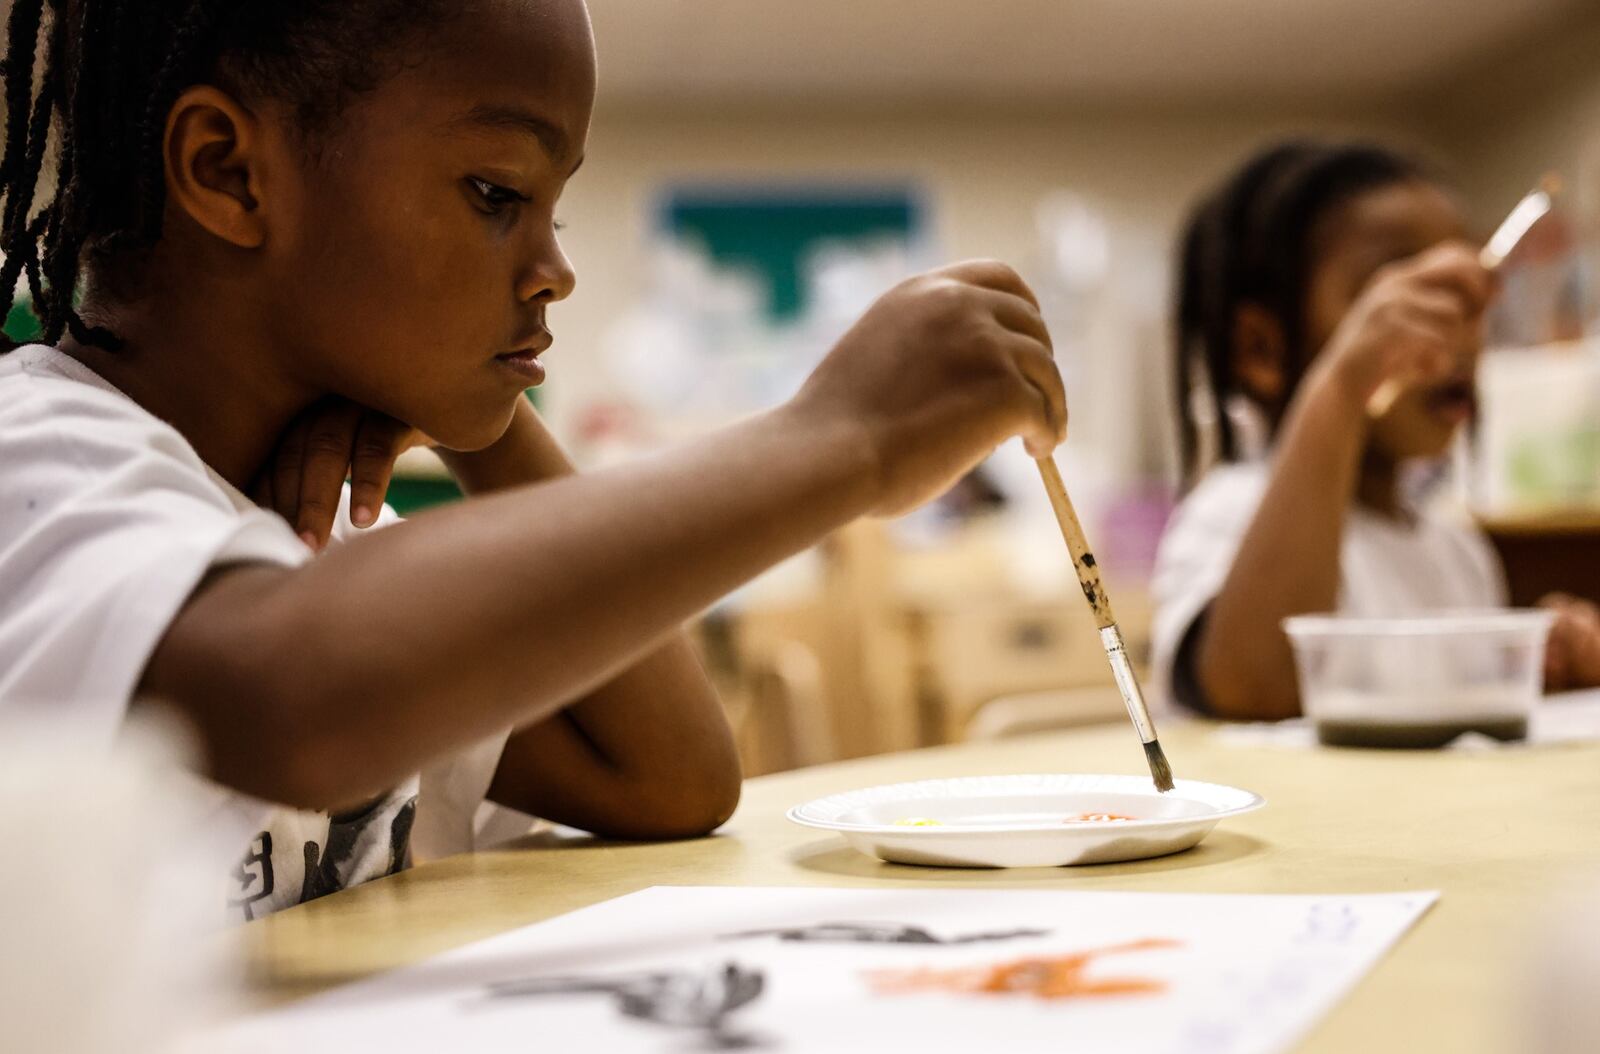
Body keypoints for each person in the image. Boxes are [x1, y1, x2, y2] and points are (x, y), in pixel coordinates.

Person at [0, 0, 1066, 917]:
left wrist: (487, 423)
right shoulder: (37, 455)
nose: (555, 268)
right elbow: (295, 698)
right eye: (498, 194)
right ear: (227, 170)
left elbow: (669, 776)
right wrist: (841, 438)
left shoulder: (308, 527)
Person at [1152, 141, 1600, 721]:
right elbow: (1255, 691)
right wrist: (1341, 388)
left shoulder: (1456, 548)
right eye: (1407, 299)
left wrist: (1536, 678)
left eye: (1463, 301)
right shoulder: (1229, 512)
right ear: (1261, 349)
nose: (1456, 336)